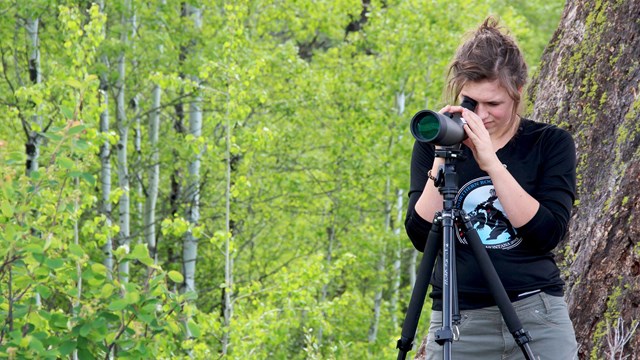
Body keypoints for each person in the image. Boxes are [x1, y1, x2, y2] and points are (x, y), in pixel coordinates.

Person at [404, 16, 578, 359]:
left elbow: (547, 234)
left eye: (493, 104)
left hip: (536, 313)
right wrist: (442, 156)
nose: (480, 115)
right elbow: (422, 236)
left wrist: (491, 163)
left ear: (518, 92)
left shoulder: (550, 143)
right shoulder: (435, 146)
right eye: (471, 102)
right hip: (459, 321)